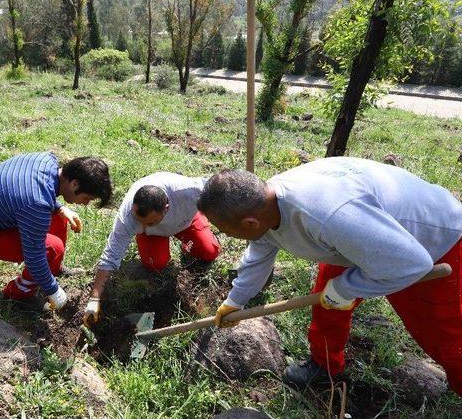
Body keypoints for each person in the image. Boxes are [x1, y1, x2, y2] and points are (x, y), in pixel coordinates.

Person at [197, 157, 462, 395]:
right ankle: (325, 365)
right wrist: (235, 299)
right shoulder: (264, 204)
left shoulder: (327, 217)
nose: (225, 235)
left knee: (447, 340)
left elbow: (412, 264)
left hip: (434, 243)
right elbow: (259, 254)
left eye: (225, 230)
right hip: (362, 237)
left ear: (249, 223)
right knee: (327, 303)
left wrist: (347, 288)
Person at [0, 152, 112, 311]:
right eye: (87, 198)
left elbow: (31, 189)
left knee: (58, 218)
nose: (86, 204)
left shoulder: (47, 160)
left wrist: (59, 207)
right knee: (52, 248)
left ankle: (53, 268)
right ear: (74, 184)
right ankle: (19, 294)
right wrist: (53, 290)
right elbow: (34, 256)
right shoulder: (36, 204)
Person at [83, 172, 221, 326]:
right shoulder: (128, 216)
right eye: (139, 221)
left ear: (166, 209)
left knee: (210, 251)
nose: (141, 226)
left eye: (149, 222)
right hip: (153, 235)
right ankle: (160, 238)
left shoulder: (189, 191)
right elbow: (110, 255)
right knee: (155, 264)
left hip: (186, 222)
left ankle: (188, 243)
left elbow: (223, 186)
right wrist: (94, 299)